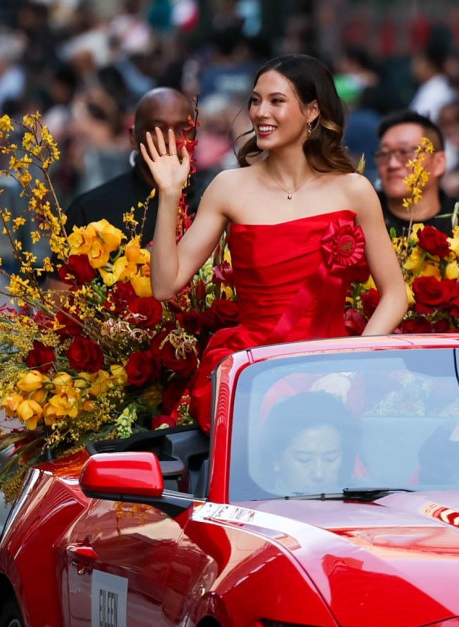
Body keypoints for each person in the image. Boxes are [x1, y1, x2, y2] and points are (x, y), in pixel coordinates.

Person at [144, 53, 408, 432]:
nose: (260, 112)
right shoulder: (228, 187)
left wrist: (351, 367)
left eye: (276, 101)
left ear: (312, 111)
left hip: (334, 371)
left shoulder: (354, 190)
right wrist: (169, 195)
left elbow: (395, 294)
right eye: (255, 100)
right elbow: (165, 285)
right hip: (255, 375)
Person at [65, 87, 205, 243]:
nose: (171, 139)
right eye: (156, 128)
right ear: (133, 137)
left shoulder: (211, 203)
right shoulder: (90, 210)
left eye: (183, 129)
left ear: (194, 135)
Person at [374, 110, 459, 236]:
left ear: (439, 163)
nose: (393, 164)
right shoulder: (365, 219)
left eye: (405, 152)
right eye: (384, 153)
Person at [260, 391, 359, 495]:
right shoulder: (257, 506)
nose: (318, 474)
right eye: (304, 459)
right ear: (276, 459)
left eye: (330, 458)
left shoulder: (367, 495)